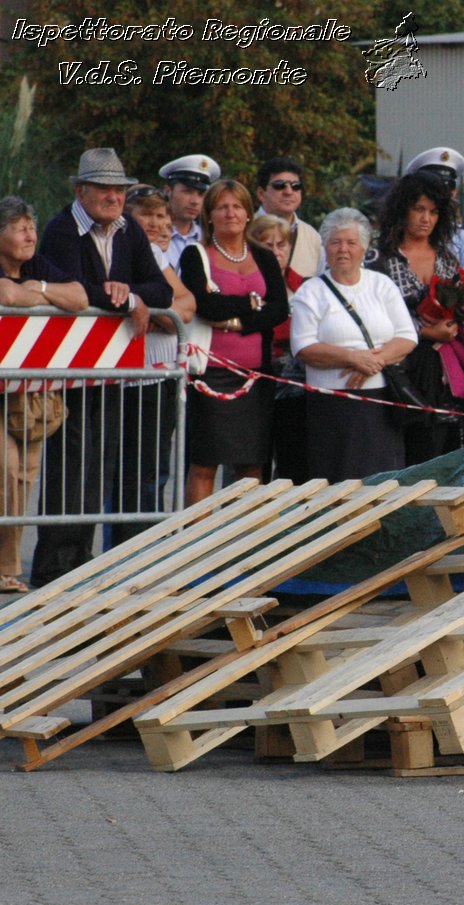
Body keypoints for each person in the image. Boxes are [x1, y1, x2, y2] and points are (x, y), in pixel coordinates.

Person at [36, 148, 173, 587]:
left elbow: (160, 290)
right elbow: (73, 290)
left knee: (102, 460)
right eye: (105, 189)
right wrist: (121, 296)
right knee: (71, 461)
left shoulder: (129, 229)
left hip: (112, 364)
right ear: (81, 190)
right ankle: (55, 564)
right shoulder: (61, 230)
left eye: (120, 189)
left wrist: (129, 294)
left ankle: (81, 558)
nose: (114, 196)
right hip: (71, 364)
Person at [178, 179, 289, 503]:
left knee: (252, 464)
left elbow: (280, 310)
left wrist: (234, 320)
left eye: (237, 206)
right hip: (211, 374)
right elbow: (206, 305)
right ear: (209, 215)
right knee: (204, 464)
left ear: (249, 213)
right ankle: (196, 545)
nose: (231, 213)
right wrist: (254, 303)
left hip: (257, 377)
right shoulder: (196, 255)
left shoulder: (265, 257)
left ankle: (247, 544)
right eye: (222, 207)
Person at [0, 196, 88, 594]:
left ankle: (7, 570)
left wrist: (41, 287)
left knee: (23, 475)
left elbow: (80, 299)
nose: (30, 235)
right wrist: (43, 295)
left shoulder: (36, 266)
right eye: (20, 228)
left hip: (29, 396)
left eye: (31, 227)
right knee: (5, 468)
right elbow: (10, 297)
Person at [289, 208, 417, 480]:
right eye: (336, 242)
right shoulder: (311, 292)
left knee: (381, 479)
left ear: (364, 248)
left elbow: (407, 336)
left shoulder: (382, 285)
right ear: (325, 247)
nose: (343, 250)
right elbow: (303, 347)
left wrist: (371, 362)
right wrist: (351, 358)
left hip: (380, 401)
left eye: (351, 242)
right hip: (331, 404)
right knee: (336, 477)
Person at [369, 170, 464, 464]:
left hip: (448, 374)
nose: (426, 218)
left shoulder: (447, 258)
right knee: (409, 460)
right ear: (403, 209)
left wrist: (456, 322)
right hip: (401, 376)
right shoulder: (379, 259)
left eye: (434, 211)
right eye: (419, 209)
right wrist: (424, 332)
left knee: (450, 459)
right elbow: (372, 317)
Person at [121, 185, 197, 537]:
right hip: (126, 375)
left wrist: (159, 314)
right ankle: (125, 549)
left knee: (154, 471)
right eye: (145, 214)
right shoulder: (129, 248)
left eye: (160, 215)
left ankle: (146, 549)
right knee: (129, 474)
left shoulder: (156, 252)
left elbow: (186, 305)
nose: (154, 222)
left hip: (162, 373)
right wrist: (168, 314)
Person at [246, 213, 309, 482]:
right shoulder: (247, 281)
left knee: (292, 461)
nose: (275, 251)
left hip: (296, 390)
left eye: (281, 244)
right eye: (267, 245)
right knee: (250, 461)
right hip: (255, 380)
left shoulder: (305, 285)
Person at [405, 148, 464, 285]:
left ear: (454, 192)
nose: (438, 195)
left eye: (445, 189)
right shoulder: (395, 238)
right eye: (420, 209)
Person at [254, 157, 321, 280]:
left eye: (296, 186)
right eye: (279, 185)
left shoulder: (313, 237)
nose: (289, 191)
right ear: (261, 193)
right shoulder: (243, 229)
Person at [158, 153, 221, 270]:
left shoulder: (210, 237)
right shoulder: (153, 234)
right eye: (187, 191)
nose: (195, 201)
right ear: (167, 190)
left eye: (201, 194)